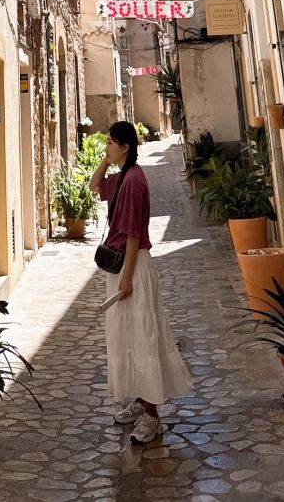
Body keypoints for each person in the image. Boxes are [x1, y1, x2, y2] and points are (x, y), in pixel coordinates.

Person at [89, 120, 192, 443]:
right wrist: (107, 158)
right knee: (128, 338)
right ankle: (140, 400)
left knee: (143, 337)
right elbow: (94, 185)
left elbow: (134, 234)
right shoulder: (122, 177)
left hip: (132, 267)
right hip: (121, 266)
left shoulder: (133, 181)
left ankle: (152, 415)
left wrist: (127, 278)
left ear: (125, 147)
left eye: (110, 142)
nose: (106, 146)